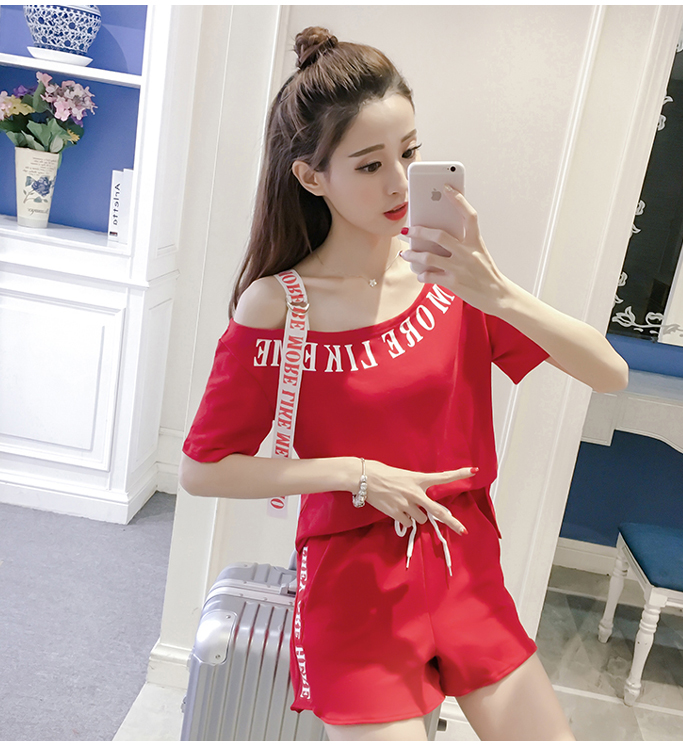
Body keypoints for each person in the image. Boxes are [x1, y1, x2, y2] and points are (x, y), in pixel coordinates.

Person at [179, 26, 628, 741]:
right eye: (369, 164)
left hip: (465, 566)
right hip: (354, 592)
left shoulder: (452, 279)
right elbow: (203, 468)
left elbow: (609, 372)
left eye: (409, 154)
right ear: (311, 178)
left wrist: (497, 291)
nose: (397, 183)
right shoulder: (280, 305)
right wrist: (355, 474)